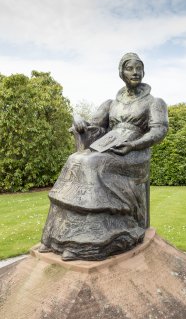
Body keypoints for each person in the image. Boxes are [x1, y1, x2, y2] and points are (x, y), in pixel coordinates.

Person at [39, 53, 168, 261]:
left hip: (134, 154)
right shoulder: (111, 103)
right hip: (108, 148)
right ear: (121, 73)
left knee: (93, 163)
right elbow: (94, 127)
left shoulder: (155, 102)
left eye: (138, 68)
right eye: (130, 68)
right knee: (75, 159)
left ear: (144, 72)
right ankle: (57, 238)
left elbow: (158, 131)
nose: (135, 72)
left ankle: (89, 242)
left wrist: (132, 145)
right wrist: (79, 124)